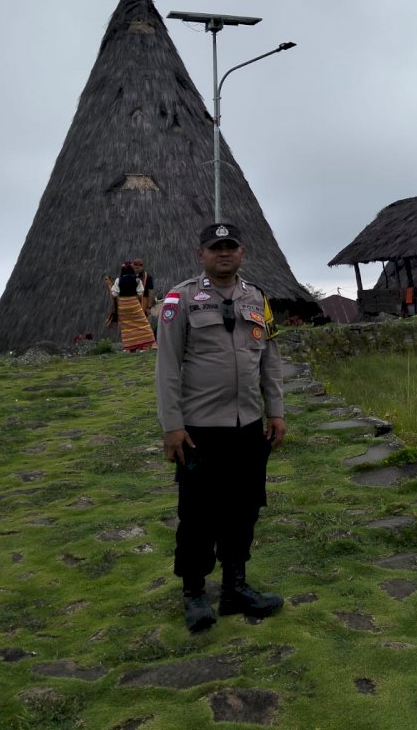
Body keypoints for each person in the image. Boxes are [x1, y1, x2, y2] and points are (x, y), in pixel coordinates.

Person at [155, 223, 285, 633]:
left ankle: (235, 588)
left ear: (242, 252)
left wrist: (276, 411)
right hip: (199, 430)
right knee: (197, 515)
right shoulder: (181, 299)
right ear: (202, 254)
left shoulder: (257, 299)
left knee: (243, 510)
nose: (223, 254)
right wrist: (172, 425)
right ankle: (194, 593)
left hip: (247, 426)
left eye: (230, 247)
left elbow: (270, 359)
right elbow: (167, 368)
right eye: (216, 248)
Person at [110, 262, 157, 351]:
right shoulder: (137, 280)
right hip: (134, 304)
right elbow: (140, 293)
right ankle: (148, 343)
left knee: (127, 325)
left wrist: (109, 286)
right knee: (142, 323)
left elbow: (114, 294)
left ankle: (131, 345)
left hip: (123, 306)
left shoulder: (118, 280)